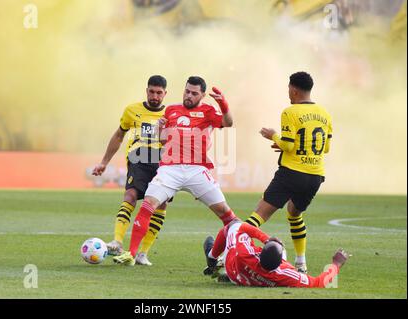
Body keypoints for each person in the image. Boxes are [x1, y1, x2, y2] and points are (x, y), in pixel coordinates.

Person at [113, 76, 239, 266]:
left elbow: (228, 123)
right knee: (148, 204)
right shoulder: (171, 110)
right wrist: (159, 129)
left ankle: (237, 255)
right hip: (170, 168)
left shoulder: (208, 111)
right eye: (187, 91)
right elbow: (163, 139)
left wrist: (223, 103)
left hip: (197, 170)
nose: (189, 95)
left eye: (194, 93)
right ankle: (131, 254)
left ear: (202, 95)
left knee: (227, 214)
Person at [244, 71, 333, 273]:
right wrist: (286, 145)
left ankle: (232, 253)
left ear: (293, 89)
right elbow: (325, 147)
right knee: (294, 213)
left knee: (259, 215)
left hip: (292, 173)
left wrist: (272, 135)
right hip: (315, 176)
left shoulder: (290, 112)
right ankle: (301, 263)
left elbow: (289, 145)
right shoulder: (325, 114)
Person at [92, 75, 169, 266]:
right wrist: (104, 162)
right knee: (130, 195)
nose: (155, 96)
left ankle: (143, 253)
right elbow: (119, 135)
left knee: (160, 205)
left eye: (159, 93)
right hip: (139, 158)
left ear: (165, 94)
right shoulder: (132, 110)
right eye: (152, 91)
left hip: (163, 163)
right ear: (146, 91)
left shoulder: (171, 114)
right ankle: (117, 242)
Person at [203, 221, 349, 287]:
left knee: (231, 224)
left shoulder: (245, 254)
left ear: (260, 254)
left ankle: (212, 257)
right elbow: (319, 282)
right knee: (282, 249)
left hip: (234, 270)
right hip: (243, 280)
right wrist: (336, 264)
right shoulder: (285, 274)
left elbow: (239, 226)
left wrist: (265, 239)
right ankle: (221, 270)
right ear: (281, 262)